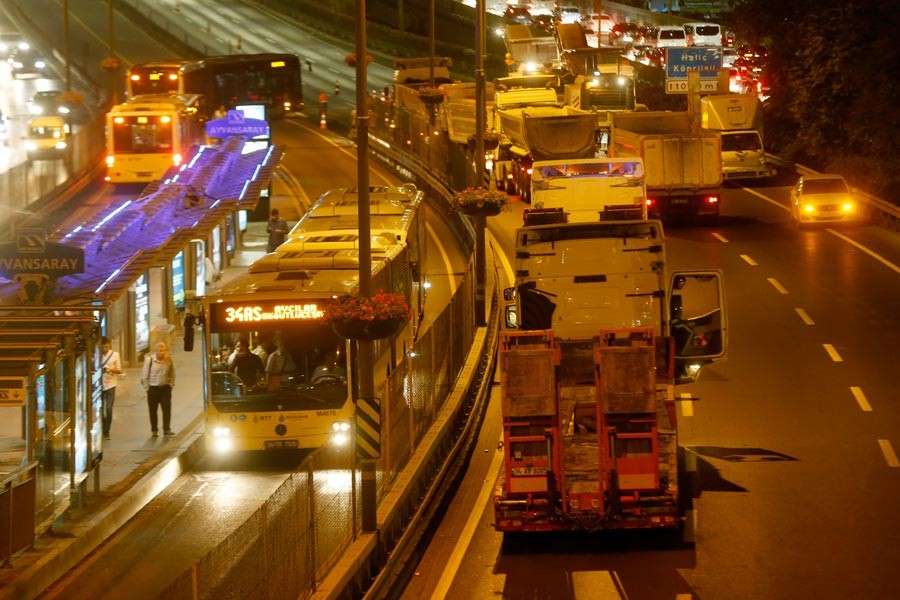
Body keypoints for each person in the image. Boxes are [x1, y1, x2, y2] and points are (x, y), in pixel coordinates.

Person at [141, 342, 176, 437]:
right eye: (160, 350)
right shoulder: (150, 360)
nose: (163, 352)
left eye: (164, 350)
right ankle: (154, 430)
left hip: (165, 388)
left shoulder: (168, 359)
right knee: (153, 411)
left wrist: (171, 385)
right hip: (153, 389)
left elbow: (172, 373)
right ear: (156, 351)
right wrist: (147, 388)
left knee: (166, 410)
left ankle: (167, 429)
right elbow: (145, 376)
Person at [100, 336, 123, 440]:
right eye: (103, 347)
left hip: (110, 385)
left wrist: (111, 370)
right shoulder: (97, 355)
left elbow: (119, 370)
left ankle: (107, 430)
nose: (105, 349)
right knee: (100, 409)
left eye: (106, 347)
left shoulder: (115, 355)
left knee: (108, 408)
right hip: (99, 385)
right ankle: (102, 427)